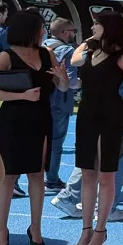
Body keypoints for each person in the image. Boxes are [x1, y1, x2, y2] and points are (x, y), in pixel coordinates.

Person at [69, 11, 123, 245]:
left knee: (106, 176)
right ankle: (86, 229)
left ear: (109, 27)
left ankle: (100, 230)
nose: (92, 27)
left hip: (111, 115)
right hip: (86, 115)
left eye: (97, 24)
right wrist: (88, 42)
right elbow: (75, 63)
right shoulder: (90, 52)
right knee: (87, 173)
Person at [0, 11, 69, 245]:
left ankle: (36, 228)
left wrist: (62, 79)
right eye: (40, 27)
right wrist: (22, 96)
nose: (43, 32)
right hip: (12, 121)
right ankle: (1, 230)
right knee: (8, 176)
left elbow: (62, 87)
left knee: (36, 174)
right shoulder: (6, 57)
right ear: (28, 30)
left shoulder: (47, 53)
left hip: (40, 119)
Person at [43, 17, 79, 191]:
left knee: (32, 141)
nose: (74, 34)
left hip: (40, 100)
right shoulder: (67, 51)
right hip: (59, 102)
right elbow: (71, 82)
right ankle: (52, 180)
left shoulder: (42, 46)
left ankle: (16, 180)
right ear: (64, 33)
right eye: (73, 31)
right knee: (56, 144)